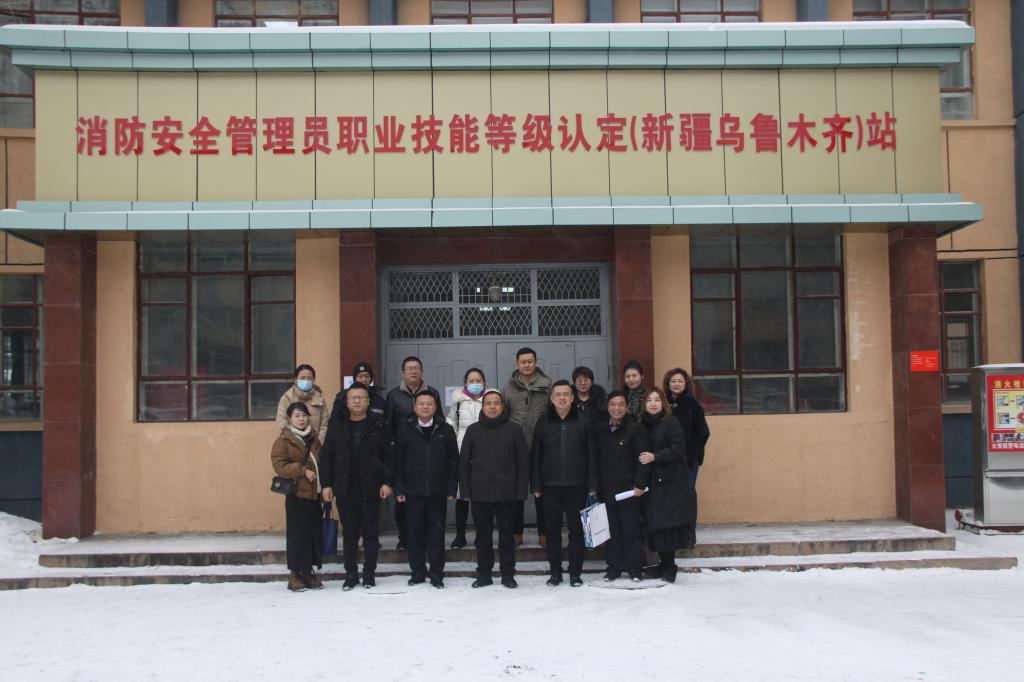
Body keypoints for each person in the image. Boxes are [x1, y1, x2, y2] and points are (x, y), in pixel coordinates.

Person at [319, 383, 392, 591]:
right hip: (345, 487)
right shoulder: (337, 426)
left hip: (372, 487)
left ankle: (369, 573)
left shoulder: (380, 424)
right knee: (349, 533)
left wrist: (387, 482)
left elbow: (389, 457)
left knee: (371, 533)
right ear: (347, 402)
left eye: (361, 397)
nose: (357, 401)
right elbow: (327, 458)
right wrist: (326, 484)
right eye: (353, 398)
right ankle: (350, 574)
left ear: (368, 401)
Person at [459, 389, 529, 589]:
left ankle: (508, 574)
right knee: (482, 537)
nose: (492, 407)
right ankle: (484, 574)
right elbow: (464, 463)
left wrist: (521, 491)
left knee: (507, 536)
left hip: (507, 493)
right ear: (482, 407)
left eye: (496, 403)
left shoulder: (514, 429)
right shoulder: (473, 430)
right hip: (480, 493)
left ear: (502, 406)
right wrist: (465, 491)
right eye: (488, 403)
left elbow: (523, 462)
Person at [531, 380, 597, 587]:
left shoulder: (584, 422)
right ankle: (555, 573)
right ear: (551, 398)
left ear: (572, 397)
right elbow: (536, 455)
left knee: (576, 531)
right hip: (550, 487)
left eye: (566, 394)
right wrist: (536, 484)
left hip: (577, 486)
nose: (562, 398)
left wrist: (592, 484)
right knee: (552, 532)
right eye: (558, 394)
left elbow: (592, 455)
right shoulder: (543, 422)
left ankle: (575, 573)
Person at [393, 391, 459, 588]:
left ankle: (437, 574)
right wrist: (399, 489)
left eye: (429, 403)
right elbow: (398, 462)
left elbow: (453, 461)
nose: (425, 407)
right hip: (412, 492)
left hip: (438, 491)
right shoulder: (405, 429)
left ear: (435, 407)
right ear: (414, 407)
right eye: (421, 403)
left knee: (436, 535)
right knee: (414, 534)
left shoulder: (445, 429)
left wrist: (451, 488)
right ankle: (418, 572)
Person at [385, 356, 442, 550]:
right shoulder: (393, 395)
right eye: (409, 368)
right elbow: (388, 425)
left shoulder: (432, 393)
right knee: (403, 500)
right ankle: (404, 537)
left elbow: (440, 420)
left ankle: (426, 539)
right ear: (403, 373)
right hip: (403, 453)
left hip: (427, 452)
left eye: (416, 368)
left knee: (426, 503)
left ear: (422, 371)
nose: (413, 371)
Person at [594, 390, 649, 582]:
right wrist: (594, 486)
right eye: (612, 404)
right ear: (607, 407)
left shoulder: (635, 429)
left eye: (620, 405)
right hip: (606, 489)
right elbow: (595, 460)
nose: (616, 408)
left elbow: (642, 459)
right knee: (611, 531)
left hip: (629, 490)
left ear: (626, 408)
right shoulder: (600, 429)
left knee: (631, 529)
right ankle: (613, 568)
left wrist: (640, 484)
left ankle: (635, 568)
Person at [638, 387, 692, 583]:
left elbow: (677, 449)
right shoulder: (642, 424)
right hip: (652, 482)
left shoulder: (671, 423)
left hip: (670, 482)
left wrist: (656, 456)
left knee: (669, 525)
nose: (653, 404)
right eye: (649, 400)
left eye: (657, 400)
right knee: (656, 525)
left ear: (663, 403)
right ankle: (662, 564)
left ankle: (670, 566)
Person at [270, 402, 325, 592]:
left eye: (304, 415)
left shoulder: (313, 438)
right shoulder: (283, 440)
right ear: (289, 419)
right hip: (297, 494)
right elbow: (279, 465)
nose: (301, 419)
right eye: (297, 415)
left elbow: (322, 460)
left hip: (314, 494)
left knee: (312, 534)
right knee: (297, 536)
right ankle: (294, 574)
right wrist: (302, 471)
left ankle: (307, 572)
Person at [502, 347, 551, 546]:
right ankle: (516, 533)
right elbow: (503, 417)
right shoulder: (508, 388)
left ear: (536, 363)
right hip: (516, 449)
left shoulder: (547, 385)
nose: (527, 365)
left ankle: (544, 533)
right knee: (517, 494)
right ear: (517, 364)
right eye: (523, 362)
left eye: (530, 361)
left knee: (542, 493)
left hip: (542, 448)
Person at [663, 368, 711, 548]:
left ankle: (689, 533)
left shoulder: (693, 405)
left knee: (687, 494)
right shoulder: (663, 403)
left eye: (680, 381)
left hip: (688, 460)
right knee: (670, 495)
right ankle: (674, 533)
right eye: (673, 381)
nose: (676, 384)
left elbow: (703, 433)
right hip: (667, 458)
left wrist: (693, 453)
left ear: (686, 384)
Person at [447, 367, 486, 549]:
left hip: (483, 453)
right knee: (462, 497)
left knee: (481, 498)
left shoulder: (489, 400)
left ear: (484, 383)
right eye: (471, 381)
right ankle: (460, 536)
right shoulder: (458, 401)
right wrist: (452, 434)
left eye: (478, 381)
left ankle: (481, 535)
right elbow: (451, 421)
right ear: (465, 383)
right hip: (462, 452)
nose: (475, 384)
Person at [276, 364, 328, 444]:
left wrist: (318, 444)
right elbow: (282, 425)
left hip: (316, 446)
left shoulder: (319, 399)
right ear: (295, 380)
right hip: (293, 446)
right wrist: (293, 445)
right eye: (302, 378)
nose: (306, 381)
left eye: (309, 378)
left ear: (313, 380)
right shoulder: (287, 398)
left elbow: (324, 425)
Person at [327, 361, 387, 430]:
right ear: (355, 379)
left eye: (367, 376)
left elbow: (386, 424)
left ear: (371, 379)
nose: (364, 379)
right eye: (360, 376)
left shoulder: (380, 400)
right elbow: (334, 424)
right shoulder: (342, 398)